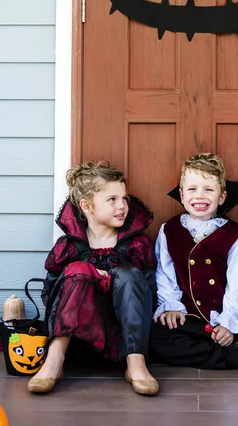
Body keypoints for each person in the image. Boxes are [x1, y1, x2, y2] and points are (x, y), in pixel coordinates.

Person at [28, 160, 159, 395]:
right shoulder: (69, 247)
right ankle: (54, 360)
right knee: (78, 270)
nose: (122, 206)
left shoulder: (135, 244)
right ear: (86, 206)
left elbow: (148, 290)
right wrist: (89, 276)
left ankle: (136, 364)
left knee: (128, 274)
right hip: (80, 336)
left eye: (124, 198)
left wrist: (112, 281)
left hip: (124, 337)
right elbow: (50, 294)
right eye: (112, 199)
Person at [150, 153, 238, 370]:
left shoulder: (235, 234)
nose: (200, 196)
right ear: (182, 195)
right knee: (157, 337)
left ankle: (224, 346)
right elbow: (165, 274)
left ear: (221, 197)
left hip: (227, 314)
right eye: (192, 189)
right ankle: (237, 356)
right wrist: (171, 307)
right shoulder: (169, 230)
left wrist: (228, 324)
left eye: (209, 190)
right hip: (189, 316)